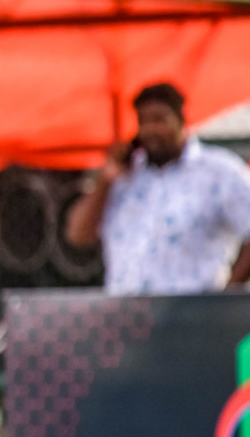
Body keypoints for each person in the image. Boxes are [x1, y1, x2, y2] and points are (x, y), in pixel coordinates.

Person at [66, 82, 250, 295]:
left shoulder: (219, 172)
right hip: (126, 316)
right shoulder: (125, 175)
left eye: (159, 120)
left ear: (181, 120)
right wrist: (105, 182)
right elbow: (78, 235)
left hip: (191, 317)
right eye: (143, 121)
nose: (151, 130)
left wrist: (226, 296)